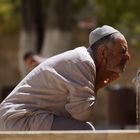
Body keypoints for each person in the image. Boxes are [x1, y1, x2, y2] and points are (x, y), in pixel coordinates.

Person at [0, 25, 130, 131]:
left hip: (21, 119)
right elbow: (81, 115)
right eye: (123, 50)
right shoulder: (84, 62)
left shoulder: (83, 60)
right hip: (18, 119)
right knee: (86, 132)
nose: (128, 56)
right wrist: (99, 83)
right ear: (103, 53)